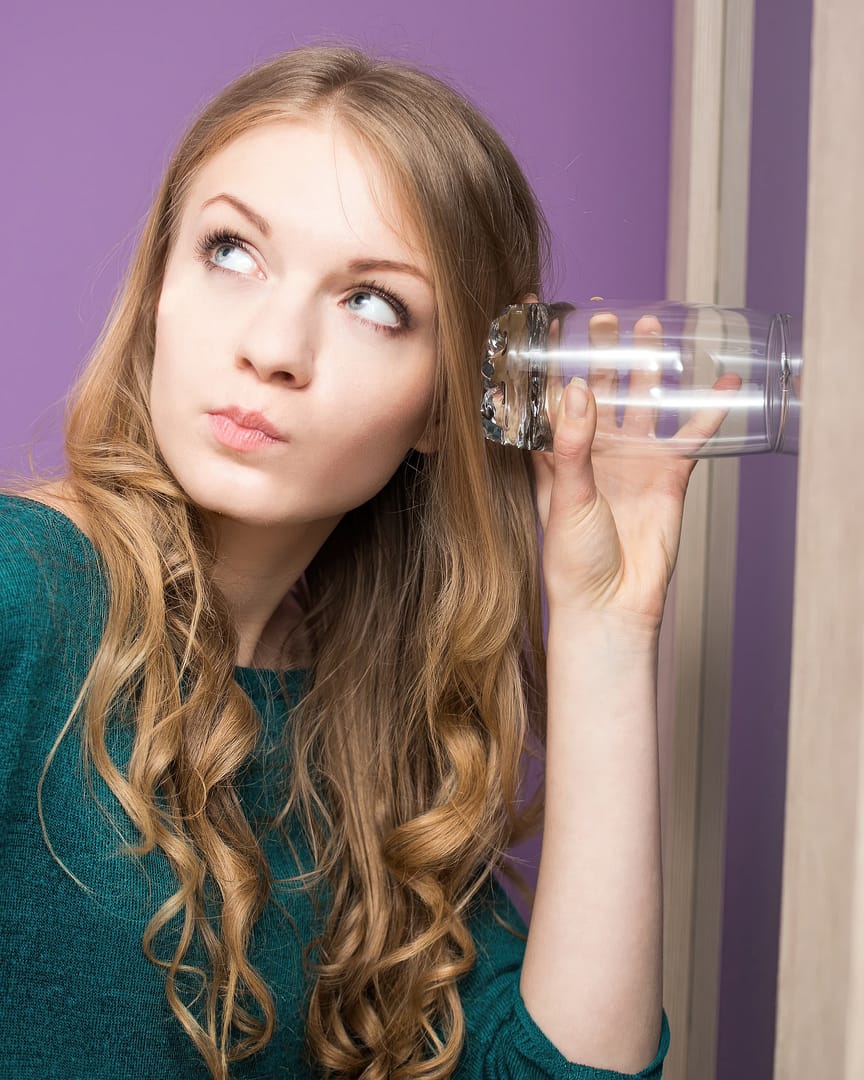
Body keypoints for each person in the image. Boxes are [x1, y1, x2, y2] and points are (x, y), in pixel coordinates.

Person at [0, 44, 689, 1078]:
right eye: (231, 250)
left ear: (441, 405)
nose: (275, 345)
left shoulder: (372, 731)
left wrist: (605, 627)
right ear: (157, 291)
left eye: (374, 303)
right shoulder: (22, 597)